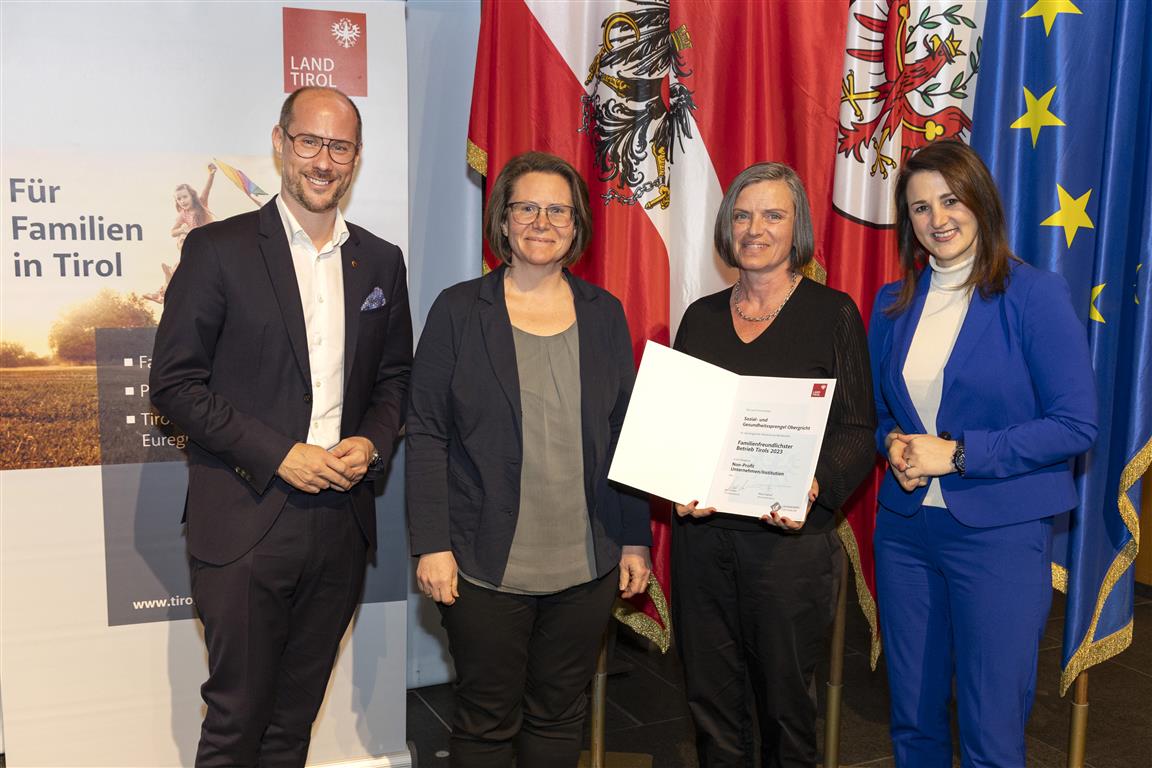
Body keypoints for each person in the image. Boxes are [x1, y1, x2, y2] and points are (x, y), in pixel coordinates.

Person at [149, 87, 412, 768]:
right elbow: (174, 385)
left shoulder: (381, 261)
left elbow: (395, 380)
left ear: (357, 157)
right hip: (246, 520)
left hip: (342, 523)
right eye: (310, 142)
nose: (324, 161)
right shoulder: (218, 249)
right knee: (237, 724)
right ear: (279, 143)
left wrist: (371, 442)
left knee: (293, 726)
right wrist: (279, 454)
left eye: (340, 147)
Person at [406, 150, 652, 767]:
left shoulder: (604, 313)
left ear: (577, 224)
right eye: (527, 208)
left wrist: (634, 540)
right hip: (482, 563)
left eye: (558, 210)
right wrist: (432, 544)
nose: (542, 222)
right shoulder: (458, 310)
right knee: (485, 722)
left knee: (559, 718)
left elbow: (623, 433)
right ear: (503, 219)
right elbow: (427, 432)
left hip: (586, 562)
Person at [868, 139, 1098, 767]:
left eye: (950, 200)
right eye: (920, 208)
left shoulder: (1033, 294)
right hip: (905, 534)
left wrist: (959, 455)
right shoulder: (891, 305)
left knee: (990, 730)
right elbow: (880, 414)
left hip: (999, 535)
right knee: (912, 720)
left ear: (981, 201)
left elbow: (1075, 425)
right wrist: (892, 443)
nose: (937, 218)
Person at [671, 162, 876, 767]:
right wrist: (674, 476)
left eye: (772, 215)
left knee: (786, 708)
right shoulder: (700, 318)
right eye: (741, 215)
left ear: (797, 228)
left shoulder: (833, 314)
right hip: (704, 540)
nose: (754, 228)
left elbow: (857, 429)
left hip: (788, 546)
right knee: (711, 702)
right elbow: (679, 424)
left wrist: (816, 483)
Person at [145, 164, 217, 303]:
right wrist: (182, 230)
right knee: (181, 262)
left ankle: (164, 289)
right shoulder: (183, 214)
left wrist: (212, 174)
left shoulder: (201, 204)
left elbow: (207, 188)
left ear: (192, 196)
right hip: (196, 247)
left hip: (209, 244)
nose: (182, 201)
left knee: (184, 261)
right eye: (179, 199)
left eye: (185, 197)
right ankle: (163, 293)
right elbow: (172, 231)